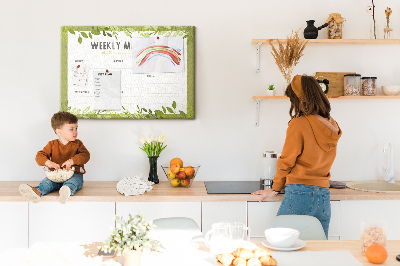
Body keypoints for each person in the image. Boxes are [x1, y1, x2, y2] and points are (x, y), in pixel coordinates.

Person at [252, 75, 342, 238]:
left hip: (300, 194)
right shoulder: (332, 124)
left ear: (300, 99)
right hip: (323, 196)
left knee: (279, 244)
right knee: (318, 251)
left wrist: (275, 188)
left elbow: (286, 161)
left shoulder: (299, 124)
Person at [19, 111, 90, 204]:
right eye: (71, 129)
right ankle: (36, 192)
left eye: (76, 128)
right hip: (55, 176)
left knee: (73, 182)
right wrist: (48, 162)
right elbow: (40, 156)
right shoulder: (52, 144)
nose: (75, 132)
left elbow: (85, 155)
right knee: (46, 183)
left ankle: (66, 191)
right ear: (59, 131)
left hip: (74, 174)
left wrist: (72, 161)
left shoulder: (78, 144)